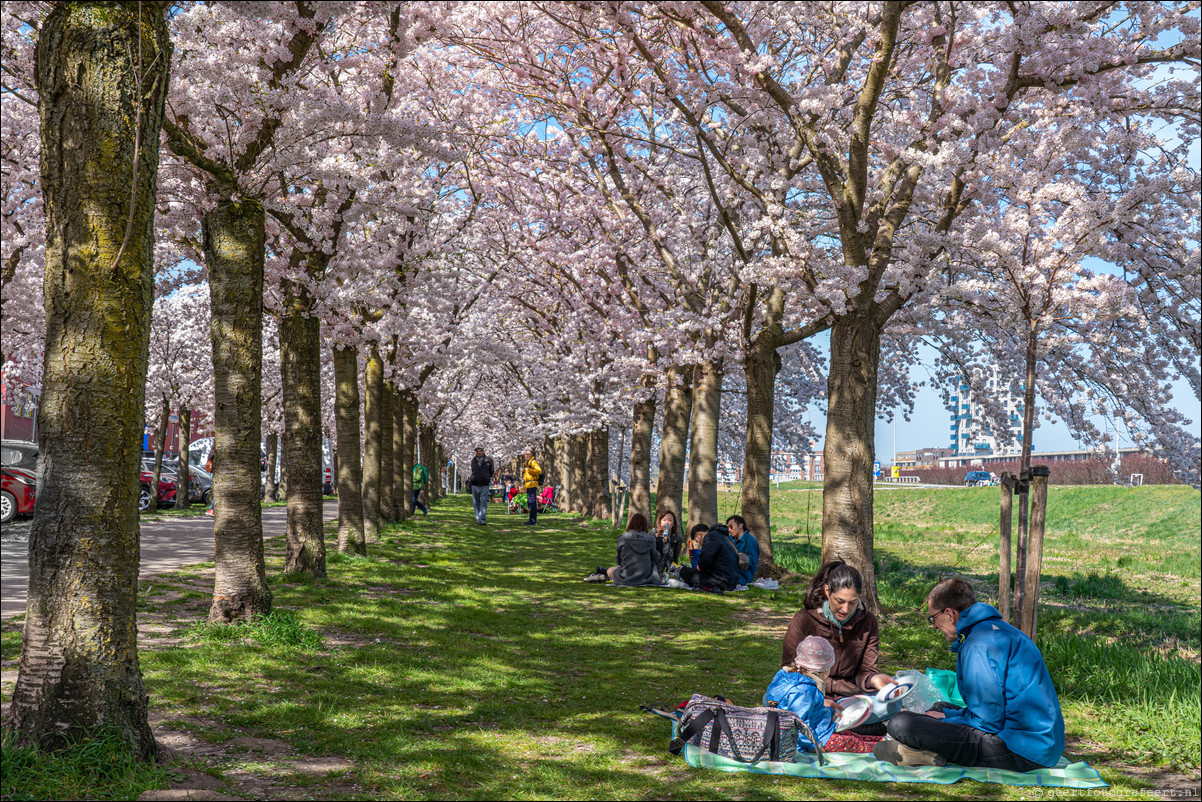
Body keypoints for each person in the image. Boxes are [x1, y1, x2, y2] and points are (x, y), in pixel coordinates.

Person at [875, 577, 1065, 770]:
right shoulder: (1000, 630)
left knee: (901, 723)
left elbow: (988, 721)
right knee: (940, 707)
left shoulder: (977, 644)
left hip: (1019, 750)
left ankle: (923, 751)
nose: (933, 626)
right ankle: (926, 751)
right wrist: (945, 715)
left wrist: (946, 720)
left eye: (933, 618)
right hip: (1043, 745)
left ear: (949, 614)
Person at [781, 561, 894, 699]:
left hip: (850, 696)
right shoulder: (803, 620)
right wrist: (828, 692)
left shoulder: (868, 622)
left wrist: (873, 679)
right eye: (839, 601)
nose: (845, 609)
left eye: (853, 602)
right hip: (810, 693)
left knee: (890, 705)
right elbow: (790, 669)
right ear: (827, 591)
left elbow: (866, 670)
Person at [764, 636, 884, 754]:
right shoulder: (804, 690)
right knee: (853, 743)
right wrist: (814, 745)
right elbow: (800, 723)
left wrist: (830, 712)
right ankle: (884, 748)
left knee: (852, 736)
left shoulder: (786, 676)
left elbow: (811, 711)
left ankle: (883, 741)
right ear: (822, 670)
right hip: (814, 739)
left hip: (820, 729)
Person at [583, 513, 666, 586]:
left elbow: (619, 560)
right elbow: (656, 558)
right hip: (647, 577)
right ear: (645, 525)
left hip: (627, 578)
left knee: (611, 570)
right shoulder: (650, 539)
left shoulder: (623, 538)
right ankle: (601, 574)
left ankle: (602, 573)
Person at [679, 522, 738, 592]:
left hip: (720, 581)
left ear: (699, 534)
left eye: (698, 541)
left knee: (684, 571)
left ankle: (710, 587)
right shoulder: (724, 537)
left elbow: (705, 559)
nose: (700, 544)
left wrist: (700, 567)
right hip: (732, 581)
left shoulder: (710, 537)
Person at [727, 514, 759, 587]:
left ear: (740, 526)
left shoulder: (750, 541)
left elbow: (750, 562)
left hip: (742, 577)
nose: (729, 530)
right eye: (728, 527)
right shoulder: (730, 539)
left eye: (731, 526)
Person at [468, 446, 494, 525]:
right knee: (476, 502)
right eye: (477, 451)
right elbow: (473, 470)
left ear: (483, 452)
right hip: (475, 484)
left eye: (480, 451)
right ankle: (478, 518)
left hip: (484, 484)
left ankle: (482, 519)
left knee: (484, 502)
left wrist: (486, 477)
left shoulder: (488, 460)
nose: (479, 452)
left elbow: (491, 471)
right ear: (476, 452)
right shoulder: (473, 460)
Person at [521, 448, 541, 526]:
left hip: (532, 484)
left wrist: (529, 470)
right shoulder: (527, 463)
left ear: (531, 455)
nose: (527, 456)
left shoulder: (533, 462)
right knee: (530, 502)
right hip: (528, 485)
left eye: (528, 454)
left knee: (532, 502)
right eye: (526, 454)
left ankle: (533, 520)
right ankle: (531, 519)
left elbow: (539, 471)